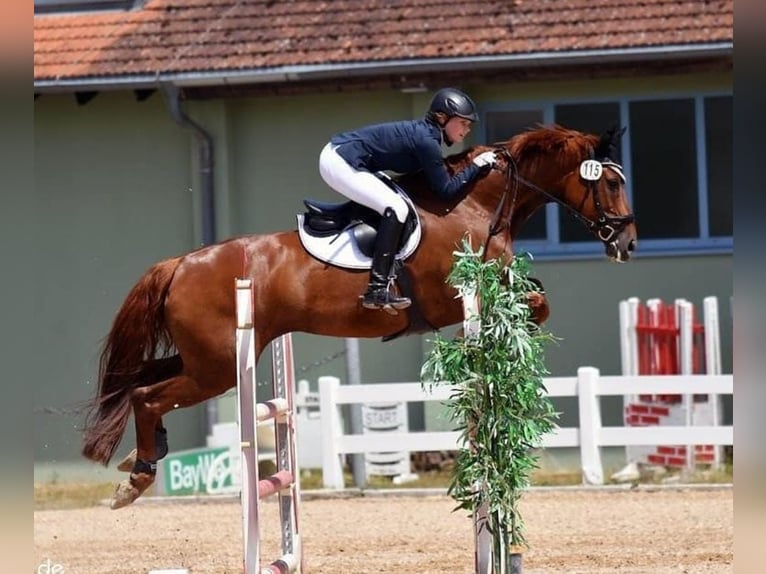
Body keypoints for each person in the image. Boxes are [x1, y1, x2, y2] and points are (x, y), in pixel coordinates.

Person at [318, 87, 498, 311]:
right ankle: (377, 288)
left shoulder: (429, 138)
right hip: (339, 160)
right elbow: (446, 190)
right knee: (396, 208)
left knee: (394, 198)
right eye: (463, 123)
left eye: (469, 125)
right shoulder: (427, 142)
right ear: (442, 118)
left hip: (349, 158)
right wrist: (476, 166)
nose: (467, 129)